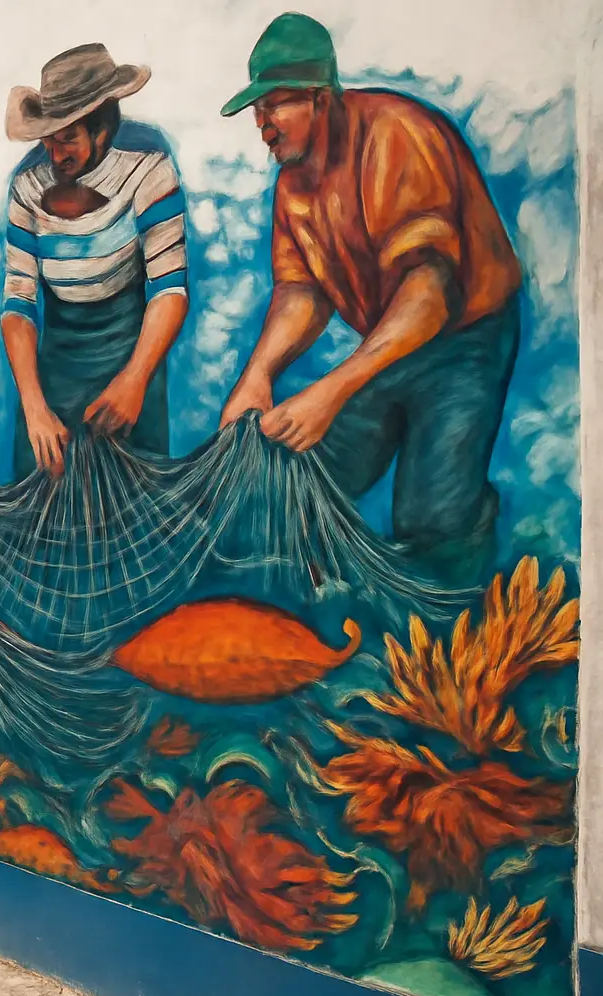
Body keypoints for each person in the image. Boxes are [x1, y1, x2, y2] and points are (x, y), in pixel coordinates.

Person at [219, 13, 522, 585]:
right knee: (312, 472)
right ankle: (316, 606)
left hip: (465, 334)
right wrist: (257, 376)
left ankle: (459, 616)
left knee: (432, 515)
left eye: (276, 105)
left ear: (320, 99)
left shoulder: (395, 136)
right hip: (391, 332)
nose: (263, 125)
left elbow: (430, 294)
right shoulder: (293, 182)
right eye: (258, 111)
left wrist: (331, 391)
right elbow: (302, 291)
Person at [2, 43, 190, 479]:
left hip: (131, 359)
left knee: (134, 513)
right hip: (54, 374)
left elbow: (169, 289)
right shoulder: (26, 186)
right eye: (48, 137)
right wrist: (34, 407)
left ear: (102, 127)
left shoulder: (148, 169)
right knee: (44, 517)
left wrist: (135, 380)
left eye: (68, 137)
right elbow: (19, 302)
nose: (55, 152)